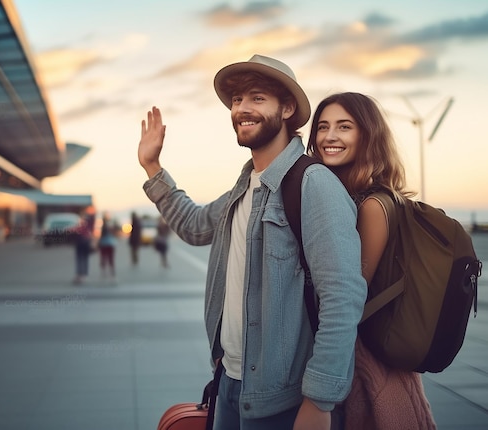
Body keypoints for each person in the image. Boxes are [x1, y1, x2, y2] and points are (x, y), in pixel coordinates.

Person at [137, 54, 367, 430]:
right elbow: (195, 225)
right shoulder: (244, 186)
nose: (242, 108)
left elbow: (342, 298)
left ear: (287, 108)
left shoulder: (314, 185)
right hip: (230, 385)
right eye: (237, 100)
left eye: (257, 98)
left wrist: (319, 401)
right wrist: (153, 167)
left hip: (286, 400)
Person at [306, 92, 437, 429]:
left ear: (367, 135)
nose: (329, 137)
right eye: (322, 127)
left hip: (366, 360)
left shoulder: (373, 205)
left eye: (344, 127)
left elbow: (352, 292)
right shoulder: (350, 195)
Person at [72, 211, 95, 285]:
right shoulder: (87, 225)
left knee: (81, 259)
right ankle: (81, 275)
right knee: (82, 259)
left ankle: (81, 275)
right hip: (83, 242)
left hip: (82, 242)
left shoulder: (85, 225)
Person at [97, 212, 117, 282]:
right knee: (110, 258)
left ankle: (105, 271)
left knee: (104, 258)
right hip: (111, 243)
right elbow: (114, 233)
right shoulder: (111, 224)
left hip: (105, 243)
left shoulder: (104, 226)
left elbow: (101, 235)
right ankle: (111, 271)